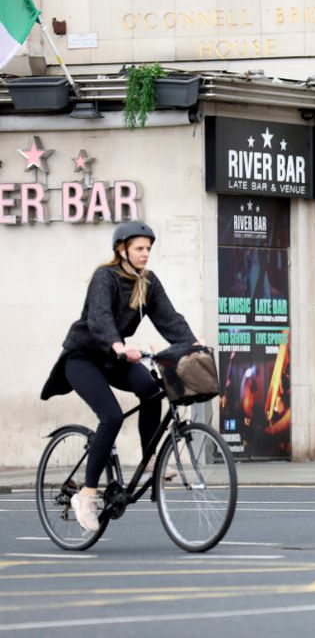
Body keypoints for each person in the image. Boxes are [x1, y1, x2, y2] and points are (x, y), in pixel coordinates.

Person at [40, 221, 198, 533]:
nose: (145, 254)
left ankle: (151, 461)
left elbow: (170, 319)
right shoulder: (105, 277)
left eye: (148, 249)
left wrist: (193, 345)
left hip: (114, 359)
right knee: (111, 416)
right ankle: (86, 495)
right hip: (83, 357)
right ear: (122, 250)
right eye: (139, 248)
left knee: (153, 390)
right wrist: (118, 344)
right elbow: (99, 318)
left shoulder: (147, 282)